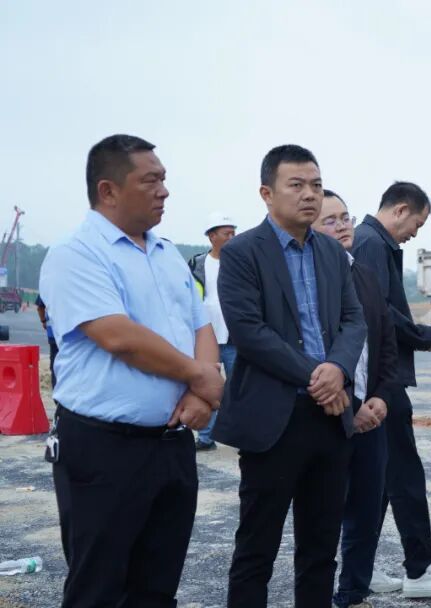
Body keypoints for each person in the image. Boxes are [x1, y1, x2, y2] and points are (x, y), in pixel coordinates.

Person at [39, 134, 224, 607]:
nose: (164, 191)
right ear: (109, 190)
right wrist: (201, 376)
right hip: (104, 448)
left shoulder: (166, 254)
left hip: (171, 446)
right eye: (151, 181)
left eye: (164, 179)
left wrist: (200, 393)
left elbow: (200, 324)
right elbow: (117, 335)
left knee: (156, 588)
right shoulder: (76, 253)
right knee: (98, 588)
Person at [214, 145, 366, 608]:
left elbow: (353, 320)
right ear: (267, 193)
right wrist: (321, 376)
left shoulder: (332, 253)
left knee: (320, 550)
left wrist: (338, 369)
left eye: (316, 185)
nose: (310, 195)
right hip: (273, 420)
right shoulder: (241, 253)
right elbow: (249, 332)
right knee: (256, 548)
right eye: (296, 185)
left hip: (330, 419)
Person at [352, 182, 431, 598]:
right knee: (404, 475)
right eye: (417, 223)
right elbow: (378, 310)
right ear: (401, 210)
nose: (415, 233)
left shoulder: (371, 242)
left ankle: (359, 567)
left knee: (381, 478)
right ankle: (420, 570)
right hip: (381, 379)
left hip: (380, 377)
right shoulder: (370, 243)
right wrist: (420, 334)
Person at [313, 190, 397, 608]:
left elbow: (385, 342)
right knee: (325, 512)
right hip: (327, 414)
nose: (343, 225)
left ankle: (353, 591)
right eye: (330, 220)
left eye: (345, 217)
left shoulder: (363, 273)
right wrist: (350, 404)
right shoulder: (310, 279)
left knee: (368, 507)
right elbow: (314, 351)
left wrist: (381, 396)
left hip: (371, 413)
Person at [188, 211, 238, 451]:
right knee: (206, 386)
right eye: (227, 233)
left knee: (239, 387)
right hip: (207, 336)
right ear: (212, 236)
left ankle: (241, 436)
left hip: (236, 337)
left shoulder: (241, 262)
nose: (232, 237)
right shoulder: (197, 264)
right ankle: (206, 438)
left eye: (234, 233)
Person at [34, 294, 58, 387]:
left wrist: (44, 321)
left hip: (53, 334)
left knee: (55, 365)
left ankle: (56, 390)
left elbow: (40, 308)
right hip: (73, 334)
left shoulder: (46, 287)